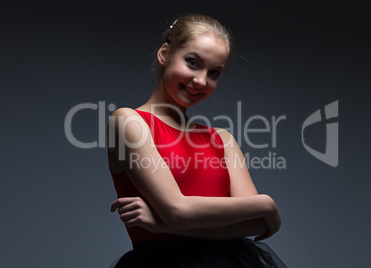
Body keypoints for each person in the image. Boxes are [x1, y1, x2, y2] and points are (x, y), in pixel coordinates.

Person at [107, 13, 287, 267]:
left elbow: (253, 225)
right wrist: (266, 204)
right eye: (192, 62)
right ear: (164, 54)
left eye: (214, 72)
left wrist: (162, 224)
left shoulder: (222, 139)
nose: (201, 80)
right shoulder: (129, 122)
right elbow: (177, 211)